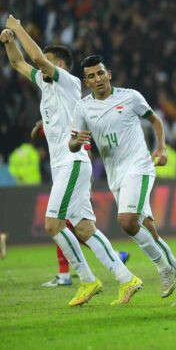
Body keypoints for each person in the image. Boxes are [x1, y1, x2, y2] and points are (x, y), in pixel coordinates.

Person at [1, 16, 140, 306]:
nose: (41, 66)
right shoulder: (45, 83)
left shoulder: (67, 81)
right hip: (65, 165)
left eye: (48, 63)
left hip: (73, 161)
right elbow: (18, 63)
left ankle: (88, 281)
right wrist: (9, 42)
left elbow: (37, 57)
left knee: (53, 224)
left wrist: (17, 27)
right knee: (85, 228)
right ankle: (127, 279)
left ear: (59, 65)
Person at [68, 54, 176, 305]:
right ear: (86, 81)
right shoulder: (83, 108)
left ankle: (163, 268)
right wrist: (76, 141)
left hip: (138, 166)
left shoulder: (130, 96)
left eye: (101, 73)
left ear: (109, 74)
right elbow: (72, 143)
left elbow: (155, 120)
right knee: (148, 229)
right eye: (92, 76)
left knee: (127, 222)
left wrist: (161, 148)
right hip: (115, 174)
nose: (98, 79)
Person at [27, 120, 132, 288]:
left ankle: (66, 274)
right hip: (63, 177)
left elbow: (86, 153)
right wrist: (40, 126)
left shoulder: (75, 124)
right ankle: (115, 257)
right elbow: (34, 137)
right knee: (68, 227)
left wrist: (86, 185)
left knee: (60, 225)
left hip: (75, 177)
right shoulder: (55, 121)